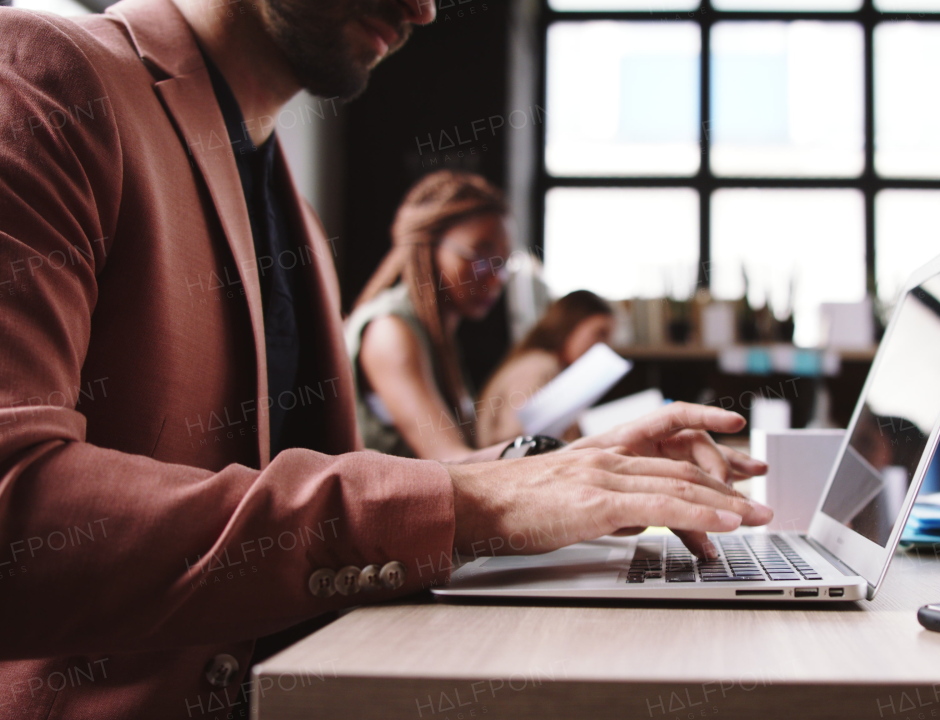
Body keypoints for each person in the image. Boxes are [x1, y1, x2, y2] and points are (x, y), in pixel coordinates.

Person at [0, 1, 771, 718]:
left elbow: (306, 479)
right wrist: (482, 504)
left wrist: (558, 466)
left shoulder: (290, 207)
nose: (427, 7)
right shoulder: (43, 73)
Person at [345, 170, 511, 460]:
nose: (496, 279)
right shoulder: (391, 330)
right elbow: (451, 461)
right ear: (428, 248)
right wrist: (560, 454)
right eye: (481, 257)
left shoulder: (438, 333)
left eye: (504, 262)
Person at [475, 290, 616, 447]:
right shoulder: (538, 367)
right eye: (600, 333)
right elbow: (511, 441)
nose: (605, 346)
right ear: (570, 325)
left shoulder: (549, 366)